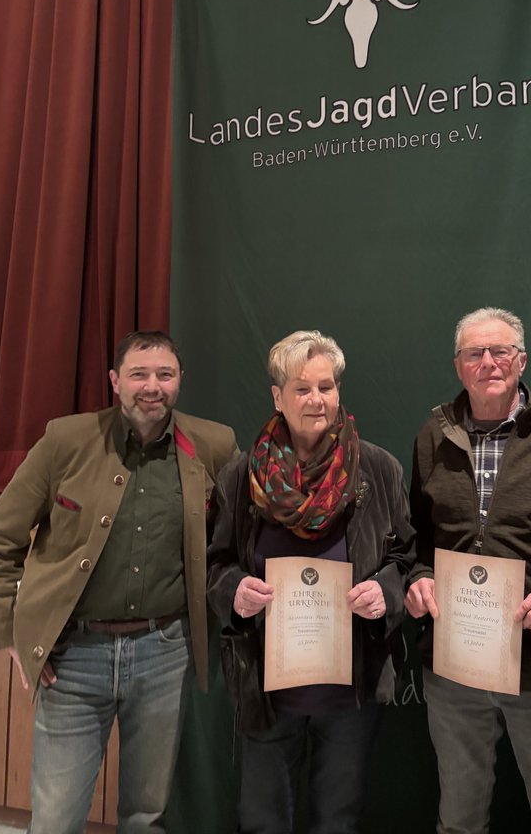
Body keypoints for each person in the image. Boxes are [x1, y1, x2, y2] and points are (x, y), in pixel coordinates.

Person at [0, 330, 239, 834]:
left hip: (166, 654)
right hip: (73, 659)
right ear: (116, 381)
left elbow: (233, 541)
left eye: (164, 374)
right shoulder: (66, 441)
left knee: (146, 815)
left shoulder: (214, 445)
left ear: (180, 381)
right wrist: (12, 633)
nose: (152, 386)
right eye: (139, 374)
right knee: (55, 820)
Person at [207, 329, 415, 834]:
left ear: (339, 392)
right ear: (277, 397)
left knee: (337, 820)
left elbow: (408, 558)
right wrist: (234, 591)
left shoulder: (378, 469)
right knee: (262, 821)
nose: (315, 399)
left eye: (326, 386)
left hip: (350, 688)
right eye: (301, 388)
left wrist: (384, 592)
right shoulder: (242, 476)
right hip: (266, 686)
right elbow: (217, 564)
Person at [405, 307, 531, 834]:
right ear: (458, 366)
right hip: (455, 666)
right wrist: (418, 579)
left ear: (521, 360)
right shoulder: (432, 434)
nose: (488, 362)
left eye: (500, 351)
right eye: (474, 353)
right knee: (458, 819)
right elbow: (417, 538)